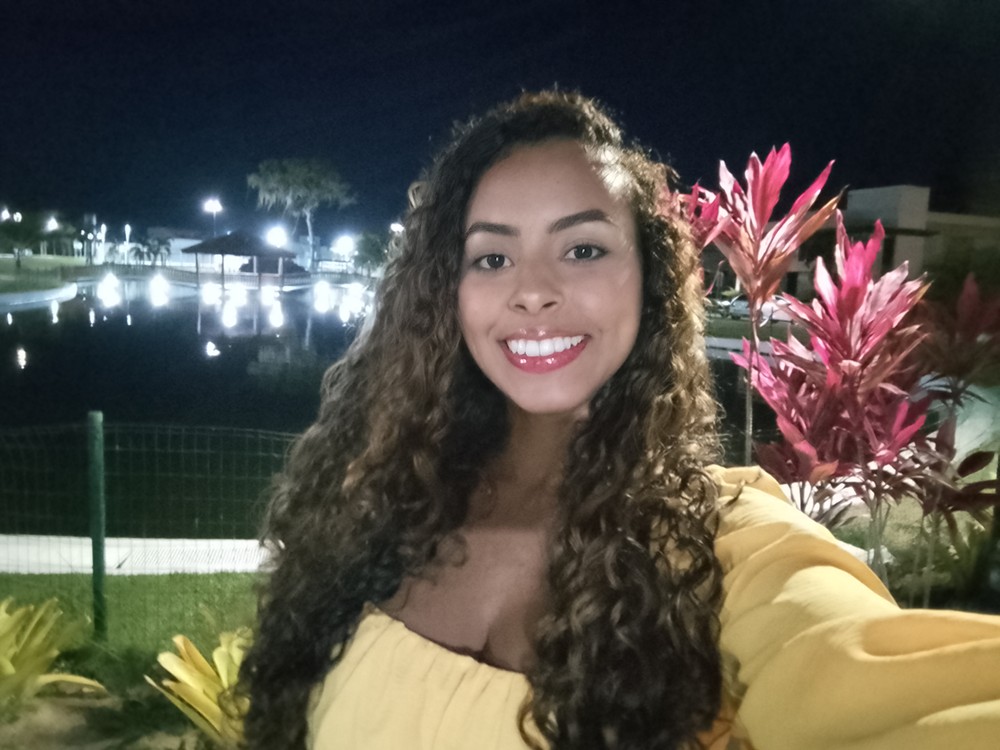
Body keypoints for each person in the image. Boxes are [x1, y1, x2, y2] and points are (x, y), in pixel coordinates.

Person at [239, 91, 1000, 750]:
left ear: (650, 282)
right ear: (447, 292)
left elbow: (853, 663)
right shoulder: (380, 502)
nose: (533, 291)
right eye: (492, 259)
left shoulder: (723, 546)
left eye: (582, 249)